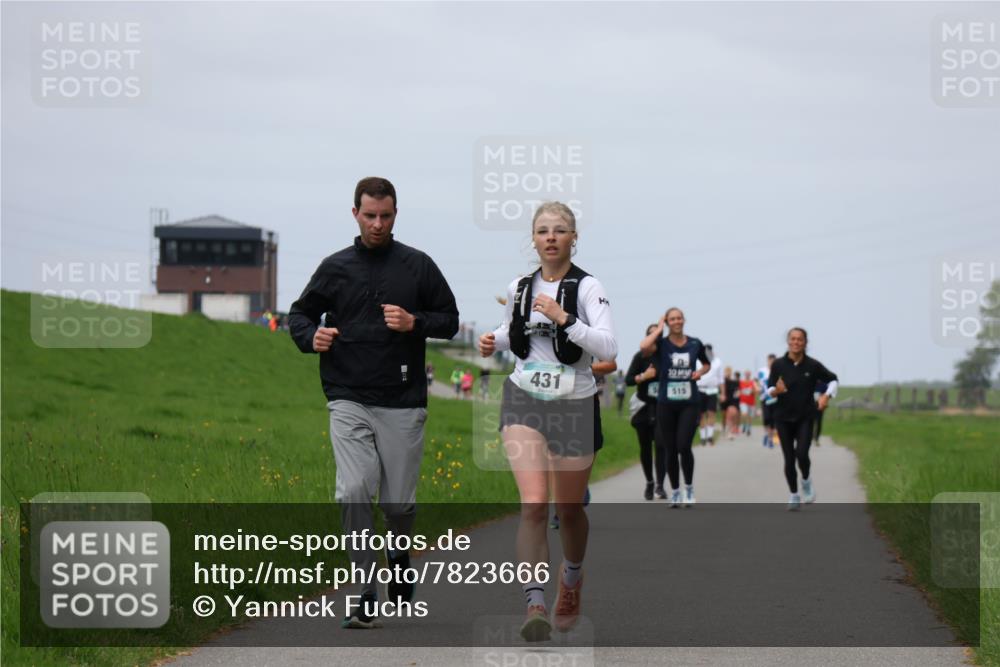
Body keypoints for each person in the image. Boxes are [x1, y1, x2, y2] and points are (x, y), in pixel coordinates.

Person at [288, 177, 459, 628]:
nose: (377, 224)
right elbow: (299, 313)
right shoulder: (335, 267)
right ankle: (365, 588)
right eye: (369, 215)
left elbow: (451, 320)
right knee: (352, 489)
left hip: (403, 400)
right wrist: (312, 337)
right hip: (347, 396)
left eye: (385, 216)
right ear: (355, 214)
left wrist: (414, 321)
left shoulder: (418, 266)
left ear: (395, 214)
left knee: (398, 505)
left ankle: (399, 553)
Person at [478, 201, 616, 642]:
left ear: (574, 238)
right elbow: (512, 332)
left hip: (574, 403)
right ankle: (534, 601)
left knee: (569, 510)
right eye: (543, 230)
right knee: (535, 504)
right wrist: (491, 340)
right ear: (533, 239)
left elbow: (608, 346)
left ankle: (571, 579)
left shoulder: (588, 287)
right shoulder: (520, 285)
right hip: (524, 398)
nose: (551, 237)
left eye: (560, 230)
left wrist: (565, 319)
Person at [639, 307, 709, 508]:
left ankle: (688, 487)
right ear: (668, 322)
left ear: (684, 320)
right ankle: (675, 491)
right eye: (672, 319)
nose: (677, 321)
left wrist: (700, 372)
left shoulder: (695, 343)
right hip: (666, 403)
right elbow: (644, 347)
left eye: (679, 318)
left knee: (684, 446)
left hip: (689, 402)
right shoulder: (660, 344)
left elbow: (706, 364)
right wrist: (658, 328)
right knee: (670, 449)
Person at [766, 327, 839, 511]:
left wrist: (826, 396)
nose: (796, 342)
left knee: (802, 455)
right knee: (789, 459)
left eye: (800, 339)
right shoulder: (778, 365)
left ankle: (806, 480)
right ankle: (793, 494)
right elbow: (768, 389)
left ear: (805, 343)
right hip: (782, 417)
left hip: (805, 416)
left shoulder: (812, 365)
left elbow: (833, 380)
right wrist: (776, 391)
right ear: (788, 341)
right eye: (793, 339)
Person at [626, 324, 665, 499]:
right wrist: (643, 376)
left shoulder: (666, 356)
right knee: (645, 447)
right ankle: (649, 482)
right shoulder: (640, 357)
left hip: (662, 408)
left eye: (657, 335)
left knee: (661, 445)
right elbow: (628, 380)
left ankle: (660, 485)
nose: (654, 338)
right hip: (643, 407)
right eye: (650, 335)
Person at [695, 344, 724, 445]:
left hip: (712, 390)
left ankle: (710, 436)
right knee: (701, 414)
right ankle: (703, 437)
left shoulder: (717, 362)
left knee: (711, 413)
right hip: (700, 389)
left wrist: (723, 393)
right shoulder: (697, 360)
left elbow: (721, 379)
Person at [757, 354, 777, 448]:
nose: (771, 362)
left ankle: (770, 439)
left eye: (773, 361)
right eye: (770, 361)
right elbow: (759, 383)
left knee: (773, 419)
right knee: (766, 418)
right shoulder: (762, 371)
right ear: (767, 361)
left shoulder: (778, 371)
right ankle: (767, 434)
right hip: (765, 398)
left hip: (775, 399)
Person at [721, 366, 740, 439]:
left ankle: (730, 431)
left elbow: (737, 390)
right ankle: (724, 428)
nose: (728, 373)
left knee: (731, 414)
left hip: (732, 401)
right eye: (726, 372)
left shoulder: (734, 382)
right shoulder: (722, 381)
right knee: (724, 415)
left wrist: (738, 393)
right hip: (725, 400)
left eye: (729, 372)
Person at [738, 370, 757, 436]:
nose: (747, 375)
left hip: (751, 402)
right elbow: (738, 391)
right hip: (743, 401)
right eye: (746, 374)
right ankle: (744, 424)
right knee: (744, 413)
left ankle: (749, 428)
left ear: (750, 375)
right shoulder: (741, 382)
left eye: (748, 374)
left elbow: (756, 391)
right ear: (744, 375)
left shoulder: (753, 382)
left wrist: (752, 391)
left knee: (750, 416)